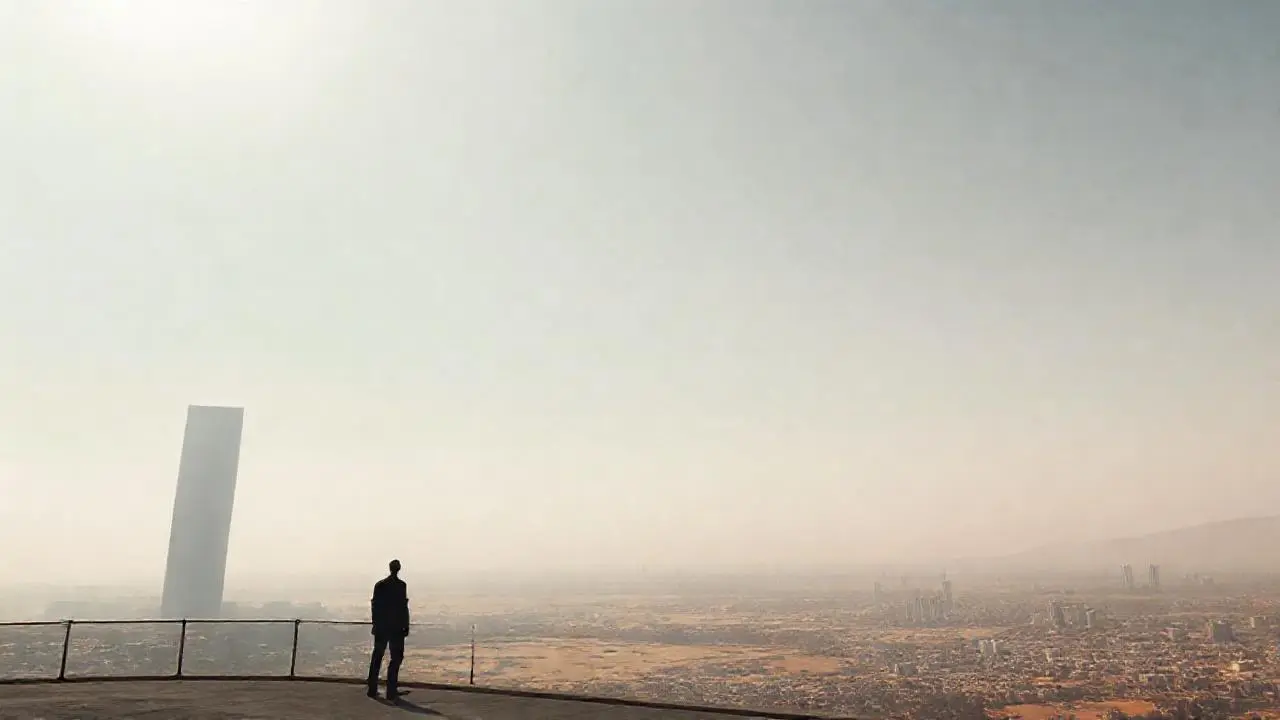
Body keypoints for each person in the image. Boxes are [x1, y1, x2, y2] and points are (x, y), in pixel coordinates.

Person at [366, 559, 410, 699]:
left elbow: (375, 606)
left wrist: (376, 624)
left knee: (377, 657)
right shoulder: (401, 586)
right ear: (399, 569)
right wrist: (406, 625)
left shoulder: (380, 585)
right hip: (396, 628)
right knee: (396, 658)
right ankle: (391, 690)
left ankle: (372, 688)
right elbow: (404, 608)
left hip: (382, 627)